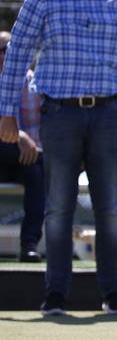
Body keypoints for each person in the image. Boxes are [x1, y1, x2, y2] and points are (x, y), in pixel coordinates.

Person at [0, 0, 117, 315]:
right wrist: (8, 113)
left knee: (110, 206)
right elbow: (16, 56)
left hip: (107, 115)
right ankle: (55, 294)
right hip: (58, 114)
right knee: (58, 207)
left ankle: (112, 293)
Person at [0, 31, 45, 263]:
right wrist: (19, 136)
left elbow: (47, 126)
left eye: (9, 50)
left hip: (25, 160)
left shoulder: (34, 82)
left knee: (36, 172)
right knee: (39, 163)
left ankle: (29, 243)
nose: (7, 55)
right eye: (4, 51)